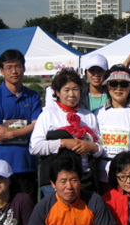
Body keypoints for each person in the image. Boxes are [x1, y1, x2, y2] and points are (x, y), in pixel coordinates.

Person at [30, 67, 103, 198]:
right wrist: (63, 143)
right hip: (54, 183)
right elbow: (35, 147)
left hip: (84, 179)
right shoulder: (48, 115)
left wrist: (91, 147)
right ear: (57, 92)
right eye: (66, 90)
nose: (72, 94)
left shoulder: (88, 116)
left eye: (75, 89)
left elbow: (100, 148)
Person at [0, 49, 42, 202]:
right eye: (9, 67)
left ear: (24, 68)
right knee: (2, 213)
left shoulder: (33, 96)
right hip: (0, 165)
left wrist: (9, 133)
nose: (14, 71)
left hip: (26, 164)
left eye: (17, 66)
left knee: (28, 212)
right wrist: (26, 129)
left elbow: (37, 126)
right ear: (2, 71)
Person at [96, 65, 130, 193]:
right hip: (103, 175)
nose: (118, 88)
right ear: (107, 86)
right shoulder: (98, 113)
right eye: (113, 83)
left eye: (124, 84)